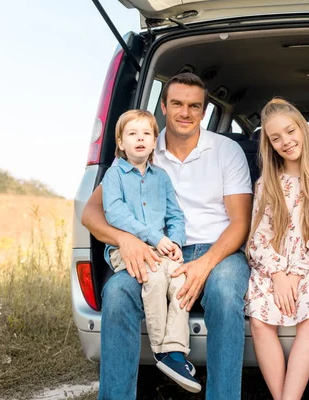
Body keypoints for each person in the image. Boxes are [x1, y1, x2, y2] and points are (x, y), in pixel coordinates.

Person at [81, 73, 253, 400]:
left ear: (204, 111)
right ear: (163, 106)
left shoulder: (226, 151)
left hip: (219, 251)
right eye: (177, 103)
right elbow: (90, 213)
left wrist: (204, 265)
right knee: (117, 293)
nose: (185, 112)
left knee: (224, 293)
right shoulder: (143, 148)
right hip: (155, 251)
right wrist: (126, 240)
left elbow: (239, 224)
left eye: (194, 106)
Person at [245, 99, 309, 400]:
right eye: (276, 138)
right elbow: (256, 239)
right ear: (269, 144)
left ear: (302, 128)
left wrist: (296, 274)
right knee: (260, 320)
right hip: (272, 267)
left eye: (290, 131)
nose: (286, 141)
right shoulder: (267, 184)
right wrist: (277, 273)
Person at [100, 109, 200, 393]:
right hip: (127, 251)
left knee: (180, 278)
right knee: (155, 277)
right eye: (132, 134)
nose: (140, 139)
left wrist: (176, 243)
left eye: (146, 134)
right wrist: (156, 238)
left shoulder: (161, 177)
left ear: (155, 140)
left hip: (160, 251)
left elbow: (175, 215)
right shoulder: (114, 175)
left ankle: (176, 351)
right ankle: (161, 350)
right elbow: (116, 214)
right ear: (121, 142)